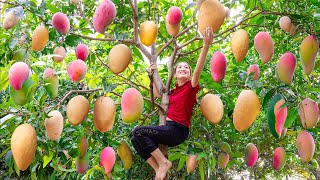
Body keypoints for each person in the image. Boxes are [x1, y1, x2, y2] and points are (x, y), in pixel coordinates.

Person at [131, 27, 214, 180]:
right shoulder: (173, 92)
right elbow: (157, 94)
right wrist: (151, 74)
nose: (183, 69)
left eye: (186, 68)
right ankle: (158, 169)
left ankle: (163, 163)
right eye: (180, 67)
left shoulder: (191, 87)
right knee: (135, 138)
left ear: (189, 75)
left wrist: (206, 45)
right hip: (167, 129)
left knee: (138, 131)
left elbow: (197, 72)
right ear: (174, 75)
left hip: (178, 130)